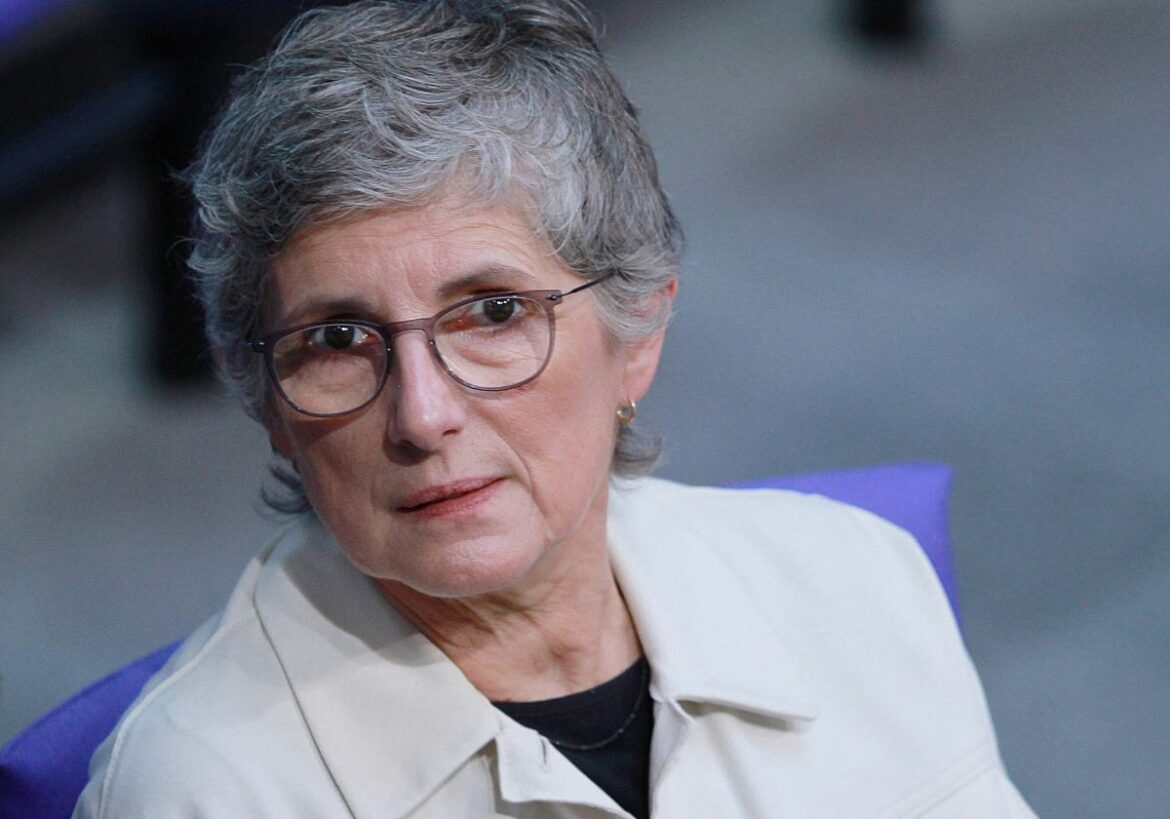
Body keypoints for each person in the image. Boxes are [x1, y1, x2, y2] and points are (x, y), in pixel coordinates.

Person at [74, 2, 1034, 817]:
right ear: (269, 408)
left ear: (637, 332)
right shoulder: (199, 791)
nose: (422, 415)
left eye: (493, 313)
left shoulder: (856, 582)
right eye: (336, 339)